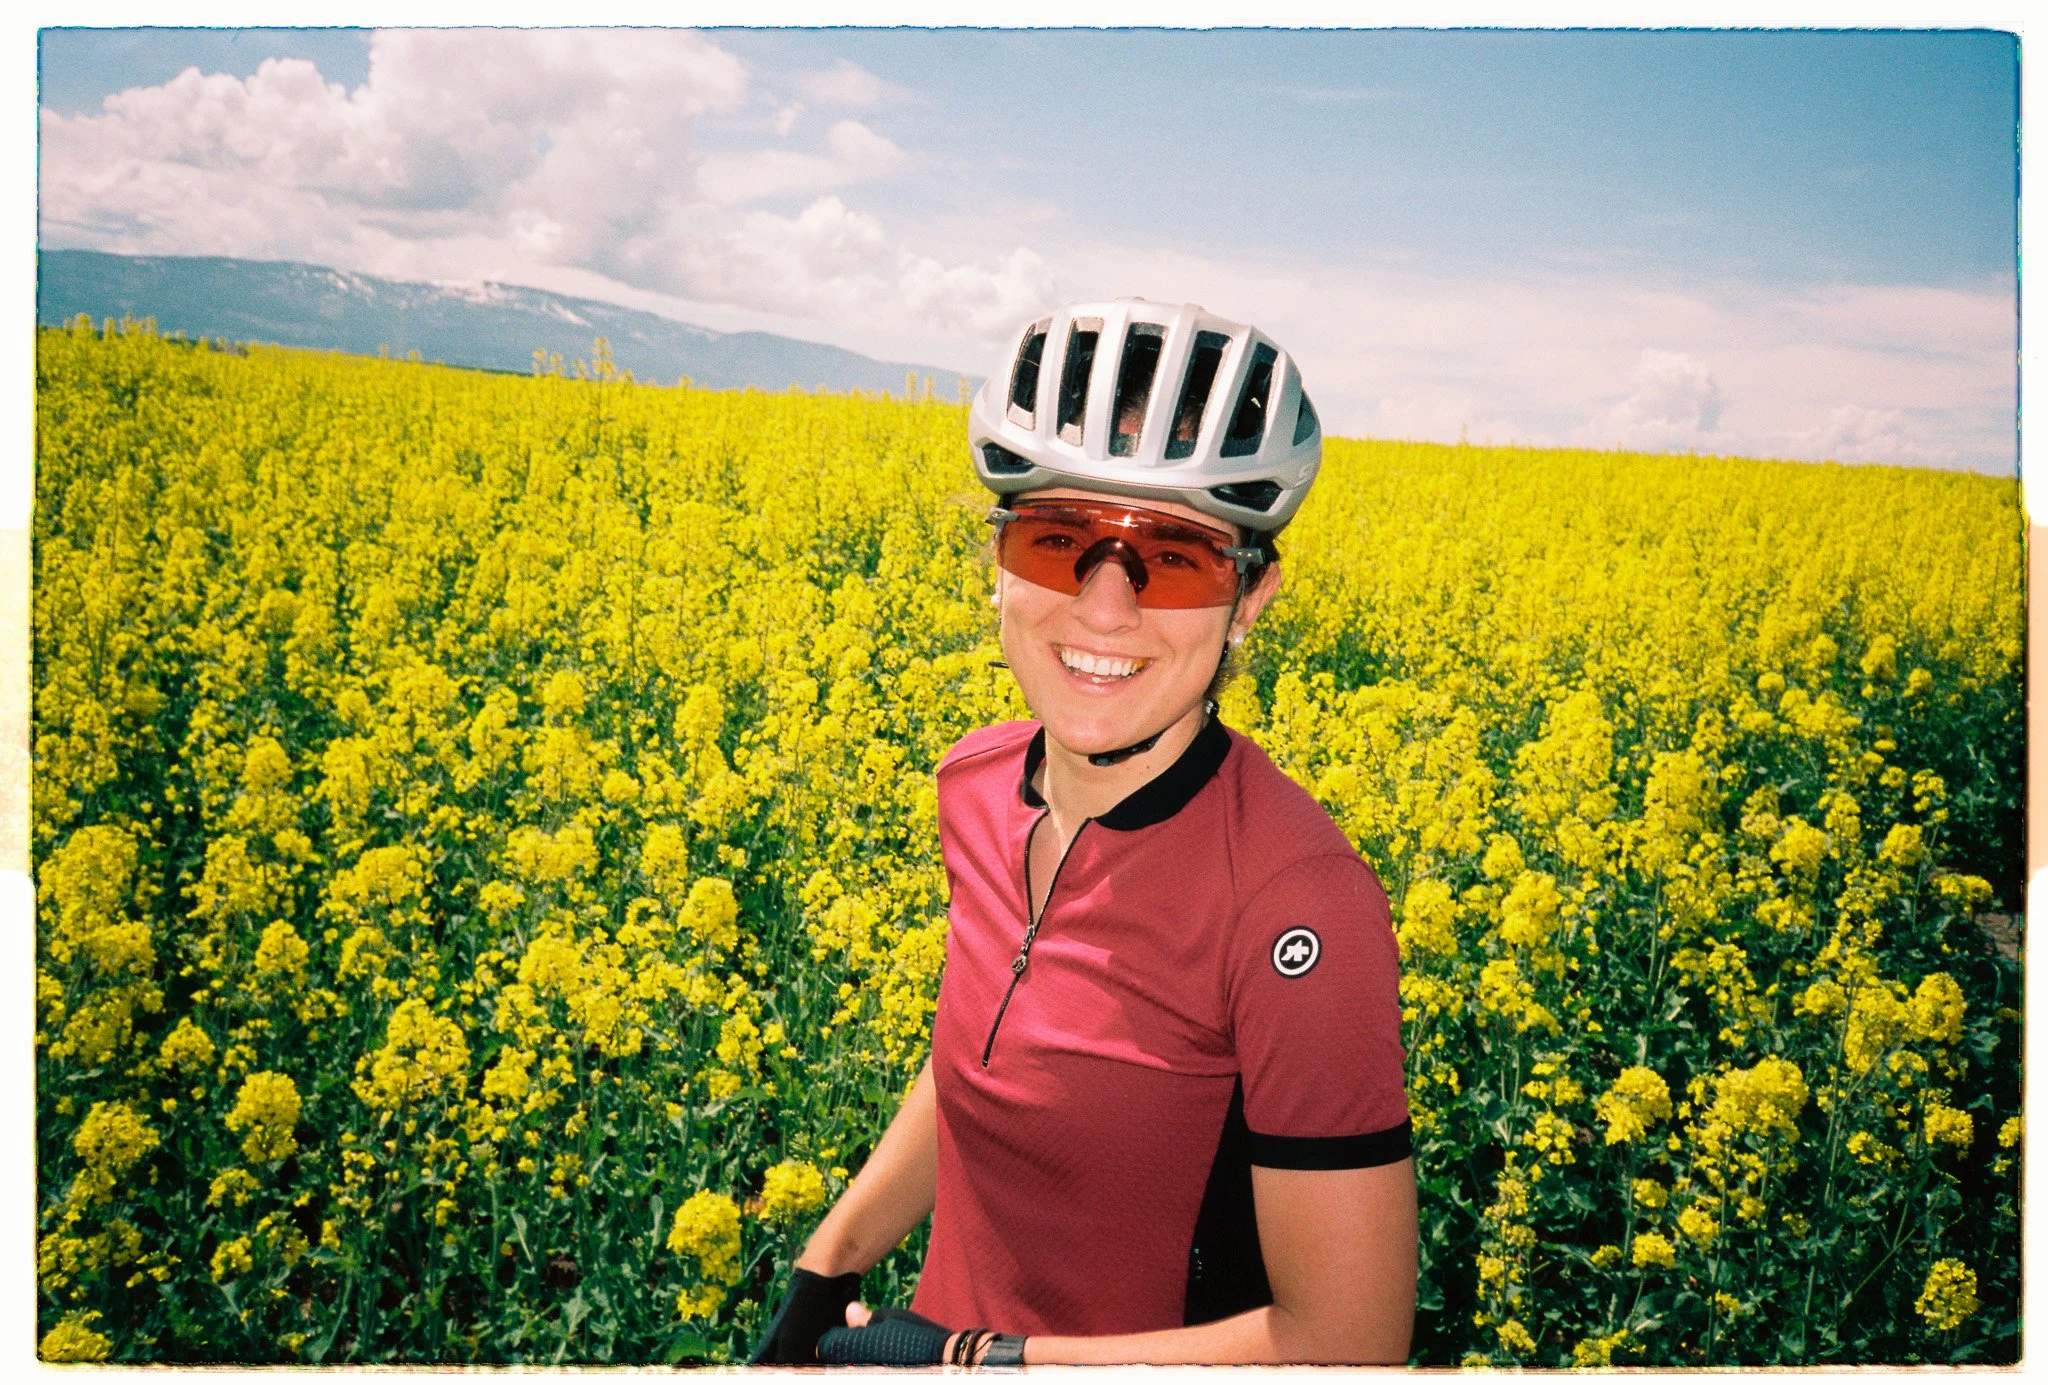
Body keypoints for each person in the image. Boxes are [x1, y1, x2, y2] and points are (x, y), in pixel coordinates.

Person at [748, 299, 1416, 1368]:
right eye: (1058, 541)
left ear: (1250, 598)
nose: (1104, 609)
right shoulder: (972, 780)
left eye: (1180, 557)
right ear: (997, 564)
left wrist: (976, 1358)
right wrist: (830, 1258)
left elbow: (1346, 1343)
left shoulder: (1298, 902)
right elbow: (977, 1054)